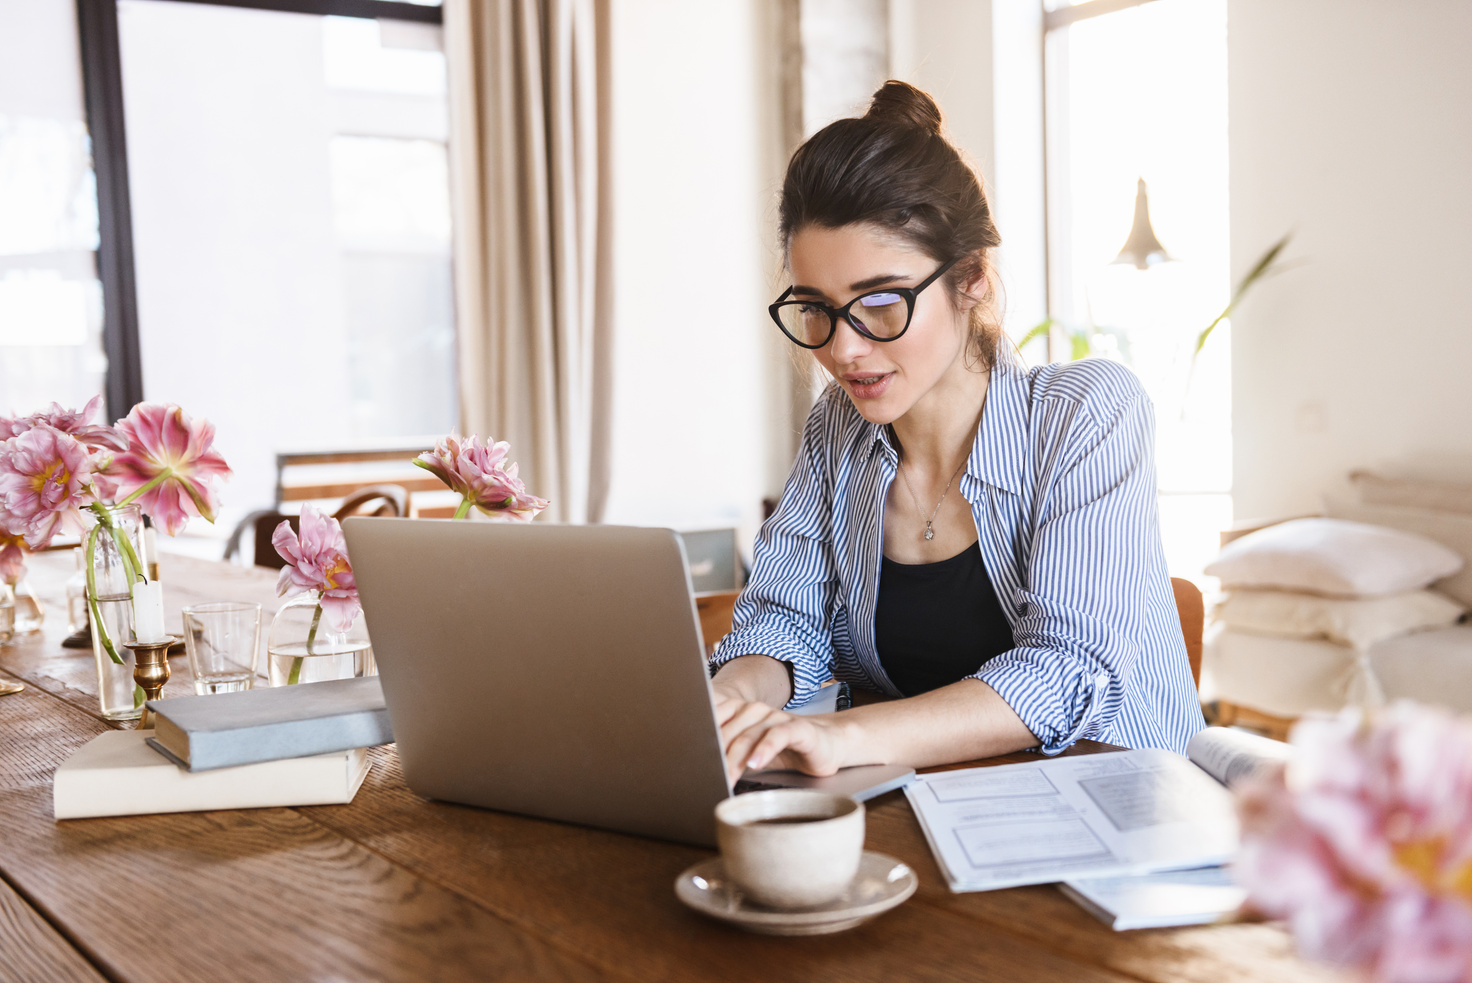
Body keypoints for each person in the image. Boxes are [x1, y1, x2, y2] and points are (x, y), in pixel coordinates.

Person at [709, 80, 1205, 783]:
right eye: (815, 307)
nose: (843, 349)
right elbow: (782, 621)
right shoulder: (838, 430)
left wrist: (839, 734)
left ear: (970, 278)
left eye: (879, 302)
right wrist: (731, 698)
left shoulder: (1087, 414)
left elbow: (1065, 672)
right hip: (937, 821)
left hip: (1117, 817)